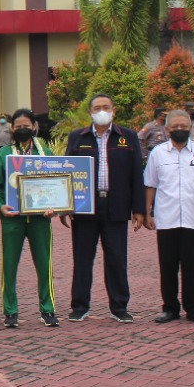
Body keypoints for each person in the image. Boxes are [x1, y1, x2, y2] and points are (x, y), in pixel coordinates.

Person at [63, 94, 145, 323]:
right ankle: (79, 306)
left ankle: (119, 306)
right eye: (97, 108)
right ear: (90, 112)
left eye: (106, 107)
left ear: (114, 111)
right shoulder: (78, 137)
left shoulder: (127, 137)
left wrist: (139, 209)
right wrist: (65, 206)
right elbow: (67, 171)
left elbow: (136, 174)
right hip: (85, 207)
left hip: (116, 205)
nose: (102, 111)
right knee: (82, 258)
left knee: (117, 259)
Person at [142, 110, 194, 324]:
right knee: (167, 267)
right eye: (174, 127)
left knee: (192, 267)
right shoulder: (158, 153)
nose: (179, 130)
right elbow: (150, 184)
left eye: (183, 126)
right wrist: (148, 212)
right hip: (166, 220)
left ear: (190, 128)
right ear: (167, 130)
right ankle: (170, 308)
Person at [0, 109, 58, 328]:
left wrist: (53, 207)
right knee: (9, 265)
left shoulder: (45, 153)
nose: (21, 129)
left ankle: (48, 309)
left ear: (34, 125)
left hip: (40, 218)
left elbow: (56, 186)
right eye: (17, 126)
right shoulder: (4, 154)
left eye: (25, 125)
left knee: (44, 264)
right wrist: (1, 206)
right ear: (12, 128)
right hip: (13, 218)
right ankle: (10, 311)